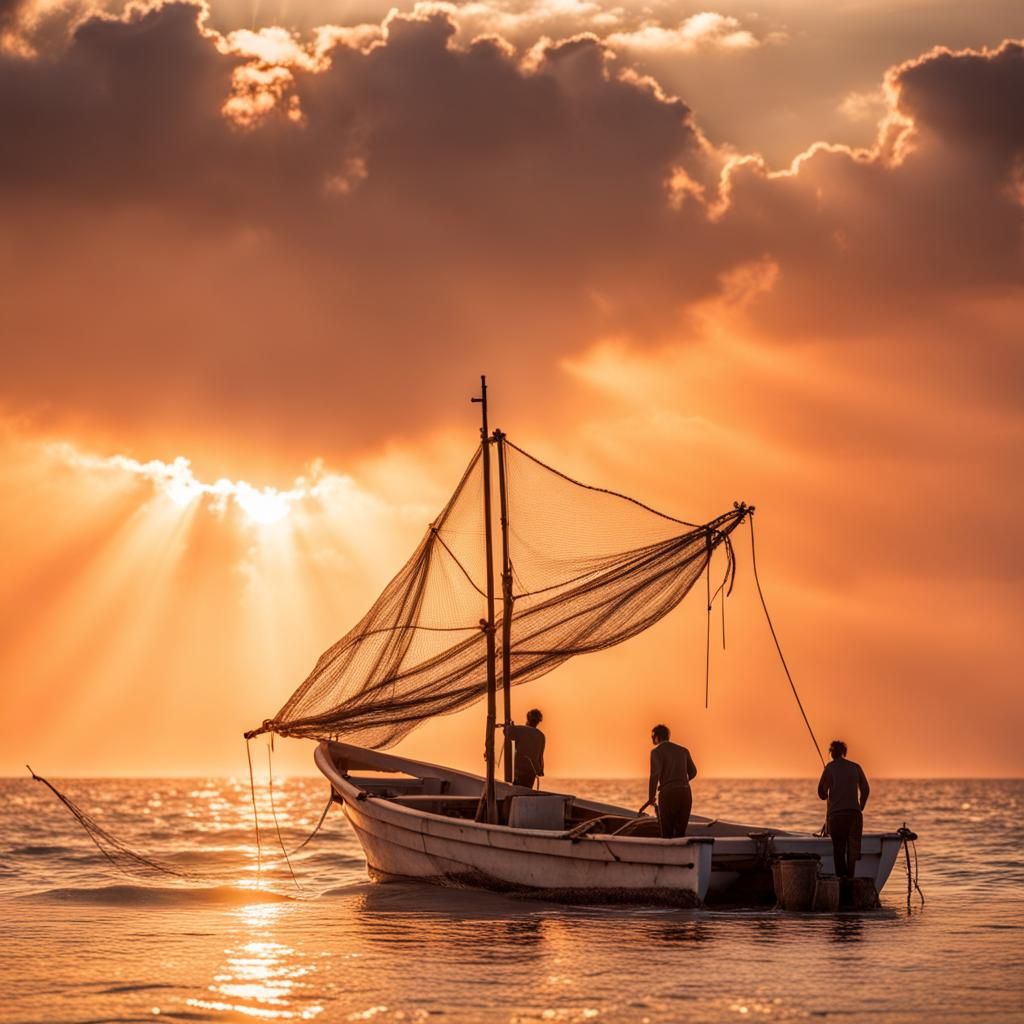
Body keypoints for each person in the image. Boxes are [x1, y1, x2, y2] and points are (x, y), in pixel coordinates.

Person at [817, 739, 870, 879]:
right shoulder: (855, 767)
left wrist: (827, 788)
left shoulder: (829, 768)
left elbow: (821, 793)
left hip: (836, 816)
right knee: (853, 851)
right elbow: (865, 789)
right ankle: (851, 878)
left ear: (832, 753)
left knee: (839, 851)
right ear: (844, 753)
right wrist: (860, 806)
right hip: (854, 815)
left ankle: (842, 880)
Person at [640, 724, 697, 839]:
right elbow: (693, 772)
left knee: (667, 834)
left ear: (657, 737)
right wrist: (680, 782)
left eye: (652, 737)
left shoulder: (656, 752)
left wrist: (651, 797)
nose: (652, 739)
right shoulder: (683, 750)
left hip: (668, 794)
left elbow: (655, 775)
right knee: (680, 834)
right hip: (685, 794)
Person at [505, 709, 545, 789]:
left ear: (528, 718)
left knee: (518, 791)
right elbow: (540, 756)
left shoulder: (521, 730)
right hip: (532, 771)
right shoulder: (541, 735)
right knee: (526, 791)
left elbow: (506, 731)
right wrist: (540, 771)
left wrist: (510, 726)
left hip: (521, 769)